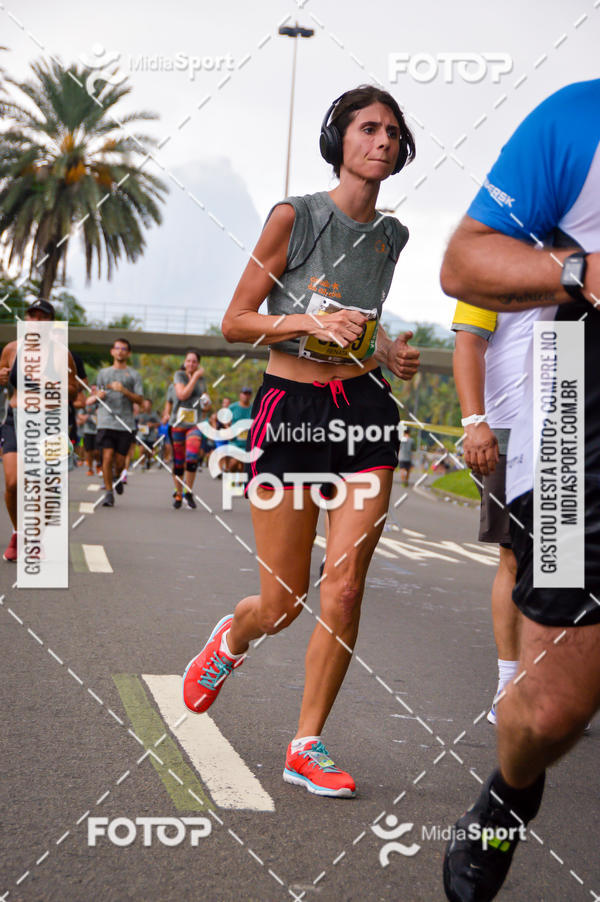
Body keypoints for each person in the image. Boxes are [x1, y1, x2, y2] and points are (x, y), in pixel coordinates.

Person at [182, 85, 420, 797]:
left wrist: (389, 356)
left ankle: (305, 744)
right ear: (338, 139)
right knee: (283, 602)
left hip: (366, 411)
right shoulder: (296, 215)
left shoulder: (393, 237)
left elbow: (360, 327)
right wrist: (309, 326)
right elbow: (235, 320)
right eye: (369, 129)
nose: (384, 141)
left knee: (344, 587)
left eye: (394, 133)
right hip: (291, 409)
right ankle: (234, 639)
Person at [440, 79, 600, 901]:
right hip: (565, 427)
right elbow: (463, 275)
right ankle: (511, 786)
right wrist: (476, 420)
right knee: (545, 712)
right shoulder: (577, 122)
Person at [452, 302, 544, 725]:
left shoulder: (583, 253)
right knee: (513, 557)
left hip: (569, 430)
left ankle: (554, 681)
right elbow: (469, 342)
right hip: (506, 431)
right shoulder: (495, 255)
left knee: (566, 564)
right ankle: (509, 685)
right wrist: (475, 422)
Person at [0, 299, 78, 561]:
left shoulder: (60, 353)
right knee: (13, 483)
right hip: (15, 419)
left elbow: (73, 390)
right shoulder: (12, 349)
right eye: (32, 316)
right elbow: (4, 379)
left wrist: (53, 384)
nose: (36, 321)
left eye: (43, 317)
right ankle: (18, 531)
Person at [91, 337, 144, 508]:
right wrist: (99, 396)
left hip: (125, 422)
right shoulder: (103, 373)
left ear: (128, 353)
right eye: (117, 348)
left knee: (120, 461)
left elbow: (140, 400)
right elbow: (95, 395)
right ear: (112, 351)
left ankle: (116, 476)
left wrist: (124, 391)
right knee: (106, 457)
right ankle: (108, 492)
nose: (120, 351)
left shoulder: (134, 375)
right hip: (106, 421)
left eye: (123, 348)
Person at [170, 350, 207, 509]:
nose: (191, 364)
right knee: (178, 462)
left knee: (192, 456)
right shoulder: (179, 375)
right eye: (188, 361)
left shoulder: (202, 381)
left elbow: (204, 402)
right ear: (185, 363)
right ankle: (178, 493)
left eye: (194, 361)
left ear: (198, 364)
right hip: (178, 424)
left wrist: (207, 402)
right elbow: (182, 395)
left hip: (194, 424)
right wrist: (195, 377)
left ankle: (189, 492)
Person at [224, 386, 253, 473]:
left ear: (250, 396)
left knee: (244, 467)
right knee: (234, 463)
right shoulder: (233, 407)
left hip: (248, 443)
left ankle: (239, 484)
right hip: (235, 442)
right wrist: (228, 429)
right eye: (244, 393)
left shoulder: (254, 408)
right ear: (240, 395)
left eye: (248, 394)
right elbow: (226, 421)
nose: (246, 396)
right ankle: (230, 472)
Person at [81, 389, 101, 475]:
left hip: (98, 430)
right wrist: (84, 417)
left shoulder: (100, 403)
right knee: (88, 451)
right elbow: (80, 414)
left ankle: (98, 465)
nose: (93, 391)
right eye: (91, 390)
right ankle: (90, 468)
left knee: (97, 451)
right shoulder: (86, 403)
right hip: (88, 430)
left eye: (95, 389)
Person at [137, 399, 160, 469]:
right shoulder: (140, 414)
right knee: (142, 449)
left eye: (148, 404)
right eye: (145, 404)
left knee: (149, 451)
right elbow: (136, 422)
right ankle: (142, 464)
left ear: (151, 405)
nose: (146, 405)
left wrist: (152, 424)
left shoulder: (154, 414)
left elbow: (159, 423)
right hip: (142, 435)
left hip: (151, 436)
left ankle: (148, 461)